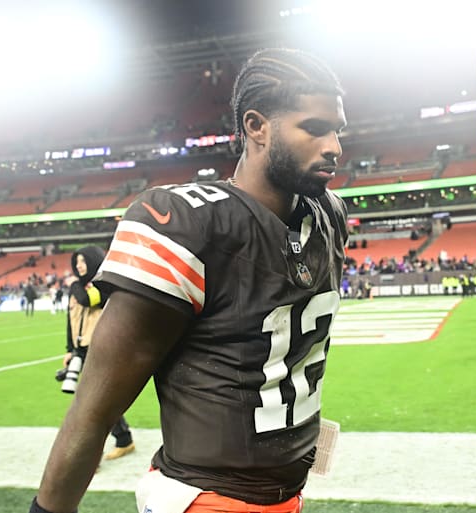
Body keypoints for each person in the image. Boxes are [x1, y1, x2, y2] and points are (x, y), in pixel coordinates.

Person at [31, 48, 348, 513]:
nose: (334, 146)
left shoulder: (327, 215)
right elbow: (94, 409)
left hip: (285, 493)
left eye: (337, 130)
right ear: (256, 126)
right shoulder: (188, 223)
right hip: (205, 498)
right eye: (314, 128)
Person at [61, 245, 135, 460]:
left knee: (91, 402)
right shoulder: (79, 287)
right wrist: (70, 349)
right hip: (81, 349)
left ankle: (90, 455)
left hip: (101, 349)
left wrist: (74, 285)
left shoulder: (104, 285)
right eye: (76, 262)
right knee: (96, 401)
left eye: (83, 261)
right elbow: (70, 321)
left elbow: (88, 300)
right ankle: (123, 439)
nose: (78, 266)